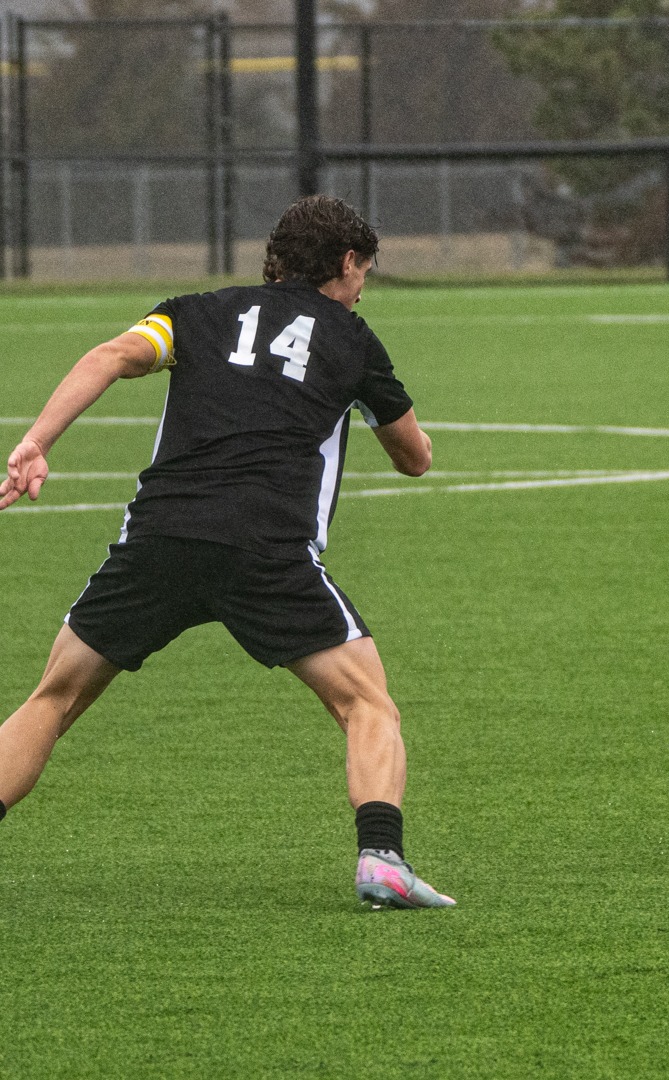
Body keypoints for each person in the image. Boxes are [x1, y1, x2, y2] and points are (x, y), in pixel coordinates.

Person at [0, 195, 453, 910]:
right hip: (267, 550)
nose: (363, 285)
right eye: (363, 269)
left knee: (53, 698)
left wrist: (37, 441)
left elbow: (112, 356)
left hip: (162, 540)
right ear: (344, 264)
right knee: (368, 704)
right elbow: (414, 458)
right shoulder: (354, 340)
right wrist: (406, 434)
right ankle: (382, 859)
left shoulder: (195, 311)